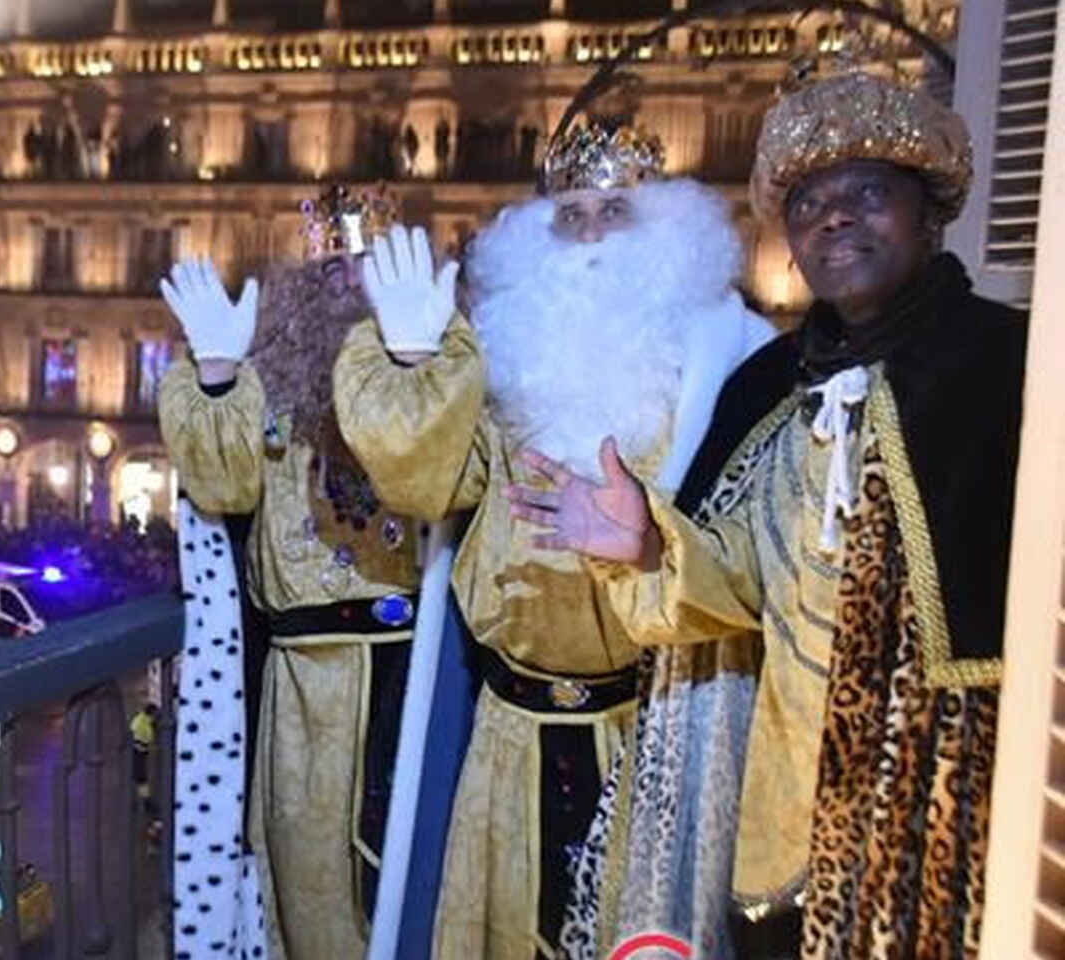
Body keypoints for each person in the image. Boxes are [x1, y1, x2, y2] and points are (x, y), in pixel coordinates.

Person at [507, 60, 1020, 959]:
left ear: (931, 212)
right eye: (811, 202)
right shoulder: (768, 387)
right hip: (779, 820)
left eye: (868, 192)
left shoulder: (1011, 368)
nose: (834, 218)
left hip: (949, 811)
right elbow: (733, 589)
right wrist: (645, 551)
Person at [332, 120, 772, 959]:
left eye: (615, 210)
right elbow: (426, 483)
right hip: (501, 736)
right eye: (572, 216)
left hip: (637, 742)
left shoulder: (733, 366)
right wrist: (412, 363)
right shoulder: (502, 361)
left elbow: (747, 569)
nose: (594, 236)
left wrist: (647, 546)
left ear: (666, 227)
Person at [159, 185, 433, 959]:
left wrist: (416, 370)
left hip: (407, 679)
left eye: (366, 269)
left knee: (409, 893)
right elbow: (224, 487)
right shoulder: (267, 387)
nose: (348, 285)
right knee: (308, 900)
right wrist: (216, 376)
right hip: (299, 686)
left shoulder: (431, 377)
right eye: (333, 270)